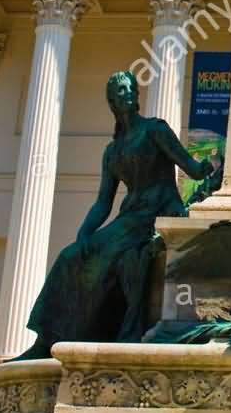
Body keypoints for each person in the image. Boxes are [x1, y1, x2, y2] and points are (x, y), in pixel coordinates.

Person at [12, 71, 219, 358]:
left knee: (116, 260)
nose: (126, 93)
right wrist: (84, 234)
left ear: (136, 95)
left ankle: (83, 333)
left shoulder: (155, 130)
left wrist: (209, 167)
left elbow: (190, 167)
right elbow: (102, 202)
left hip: (159, 212)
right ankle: (47, 339)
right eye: (119, 90)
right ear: (112, 100)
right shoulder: (113, 151)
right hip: (130, 218)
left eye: (129, 88)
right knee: (70, 256)